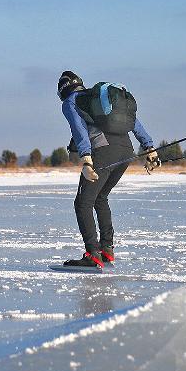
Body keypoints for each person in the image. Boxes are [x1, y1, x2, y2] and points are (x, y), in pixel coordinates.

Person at [57, 70, 160, 269]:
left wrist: (86, 159)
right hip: (126, 151)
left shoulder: (71, 102)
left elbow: (78, 130)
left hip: (103, 152)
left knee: (82, 203)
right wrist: (149, 147)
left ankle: (92, 254)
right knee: (100, 198)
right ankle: (106, 250)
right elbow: (133, 122)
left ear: (62, 89)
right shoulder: (98, 102)